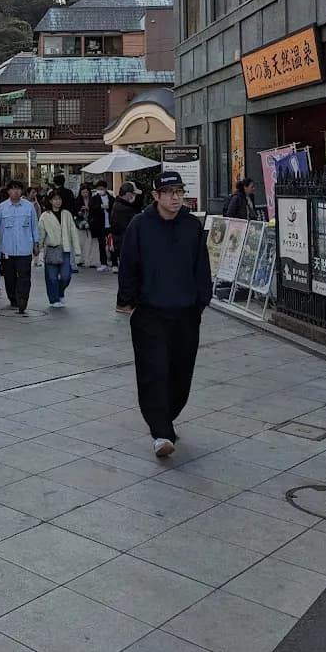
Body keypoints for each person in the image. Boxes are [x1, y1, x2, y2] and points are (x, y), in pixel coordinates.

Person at [117, 170, 212, 458]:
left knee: (181, 374)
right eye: (169, 193)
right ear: (156, 196)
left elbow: (201, 266)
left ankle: (166, 419)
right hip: (150, 314)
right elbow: (128, 265)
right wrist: (128, 300)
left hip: (186, 314)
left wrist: (201, 300)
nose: (175, 198)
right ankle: (160, 432)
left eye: (179, 192)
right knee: (153, 372)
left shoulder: (191, 226)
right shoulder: (140, 225)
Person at [0, 179, 40, 315]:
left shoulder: (29, 207)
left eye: (18, 189)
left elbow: (34, 226)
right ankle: (13, 299)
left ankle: (22, 301)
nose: (15, 191)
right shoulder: (1, 208)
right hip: (7, 249)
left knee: (24, 276)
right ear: (8, 191)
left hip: (24, 249)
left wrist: (36, 243)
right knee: (9, 277)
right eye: (12, 189)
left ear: (21, 191)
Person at [38, 190, 81, 308]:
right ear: (50, 201)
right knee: (51, 277)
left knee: (66, 276)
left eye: (59, 199)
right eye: (55, 199)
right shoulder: (45, 216)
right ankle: (54, 299)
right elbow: (41, 233)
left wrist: (77, 249)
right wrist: (38, 248)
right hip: (51, 249)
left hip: (65, 249)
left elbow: (73, 231)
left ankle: (60, 292)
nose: (57, 201)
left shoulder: (66, 214)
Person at [111, 183, 139, 313]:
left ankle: (127, 302)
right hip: (124, 243)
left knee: (129, 273)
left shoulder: (120, 205)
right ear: (127, 194)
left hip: (122, 242)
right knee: (128, 274)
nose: (134, 197)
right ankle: (125, 303)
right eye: (133, 194)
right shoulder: (123, 208)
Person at [90, 178, 115, 272]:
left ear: (105, 188)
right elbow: (92, 210)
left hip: (110, 224)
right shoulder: (94, 199)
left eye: (102, 188)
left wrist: (108, 208)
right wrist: (99, 207)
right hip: (100, 225)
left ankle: (114, 264)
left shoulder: (111, 198)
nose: (100, 190)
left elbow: (114, 209)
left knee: (111, 244)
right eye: (98, 189)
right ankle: (103, 263)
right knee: (101, 244)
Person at [74, 183, 97, 269]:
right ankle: (81, 259)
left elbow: (95, 211)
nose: (85, 194)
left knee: (90, 243)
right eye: (83, 192)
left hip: (90, 224)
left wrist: (88, 209)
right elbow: (75, 212)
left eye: (86, 192)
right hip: (81, 225)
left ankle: (90, 260)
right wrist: (79, 213)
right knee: (81, 243)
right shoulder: (77, 201)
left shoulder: (93, 200)